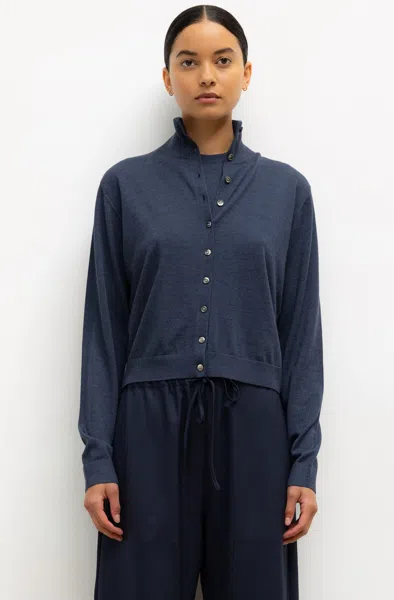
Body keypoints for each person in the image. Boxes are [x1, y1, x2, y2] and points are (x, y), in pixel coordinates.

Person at [78, 4, 324, 599]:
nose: (206, 76)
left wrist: (303, 461)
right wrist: (99, 458)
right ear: (168, 78)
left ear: (246, 73)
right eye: (188, 62)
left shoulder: (287, 191)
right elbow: (104, 330)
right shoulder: (125, 186)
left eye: (223, 60)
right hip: (147, 428)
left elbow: (301, 334)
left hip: (255, 429)